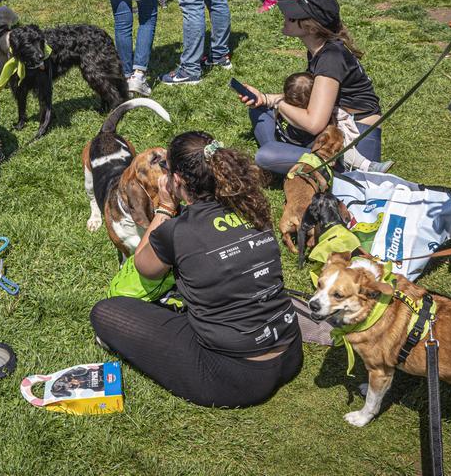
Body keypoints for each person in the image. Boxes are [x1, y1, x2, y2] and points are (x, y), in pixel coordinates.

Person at [89, 132, 303, 408]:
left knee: (105, 311)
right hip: (289, 350)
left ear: (176, 181)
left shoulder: (178, 231)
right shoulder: (252, 207)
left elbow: (143, 265)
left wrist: (165, 208)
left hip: (236, 376)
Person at [238, 0, 383, 175]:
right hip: (334, 125)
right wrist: (265, 98)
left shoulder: (330, 58)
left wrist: (278, 102)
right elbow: (319, 99)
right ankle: (288, 157)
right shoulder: (319, 49)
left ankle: (288, 159)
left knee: (266, 155)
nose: (286, 16)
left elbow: (314, 123)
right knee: (259, 108)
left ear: (312, 28)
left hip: (354, 140)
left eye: (293, 16)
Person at [282, 72, 391, 173]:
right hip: (305, 146)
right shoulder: (290, 113)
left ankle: (362, 166)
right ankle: (365, 165)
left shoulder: (316, 112)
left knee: (339, 145)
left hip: (315, 146)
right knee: (339, 147)